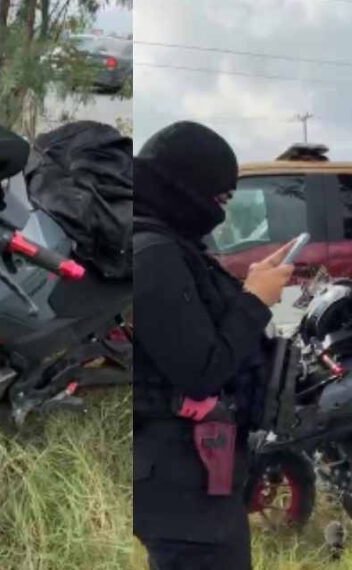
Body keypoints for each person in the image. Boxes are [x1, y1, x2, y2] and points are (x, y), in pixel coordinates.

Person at [132, 121, 294, 570]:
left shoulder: (170, 245)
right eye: (218, 200)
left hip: (194, 473)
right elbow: (202, 371)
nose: (221, 213)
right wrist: (255, 300)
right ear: (182, 187)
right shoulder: (152, 254)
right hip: (180, 485)